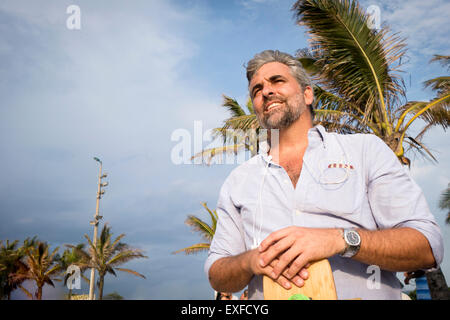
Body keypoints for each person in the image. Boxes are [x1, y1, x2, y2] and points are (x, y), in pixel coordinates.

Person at [204, 50, 444, 300]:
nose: (266, 91)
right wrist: (250, 261)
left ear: (307, 94)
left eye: (277, 81)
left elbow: (427, 246)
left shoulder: (364, 150)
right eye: (257, 90)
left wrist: (340, 240)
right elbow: (216, 272)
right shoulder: (238, 181)